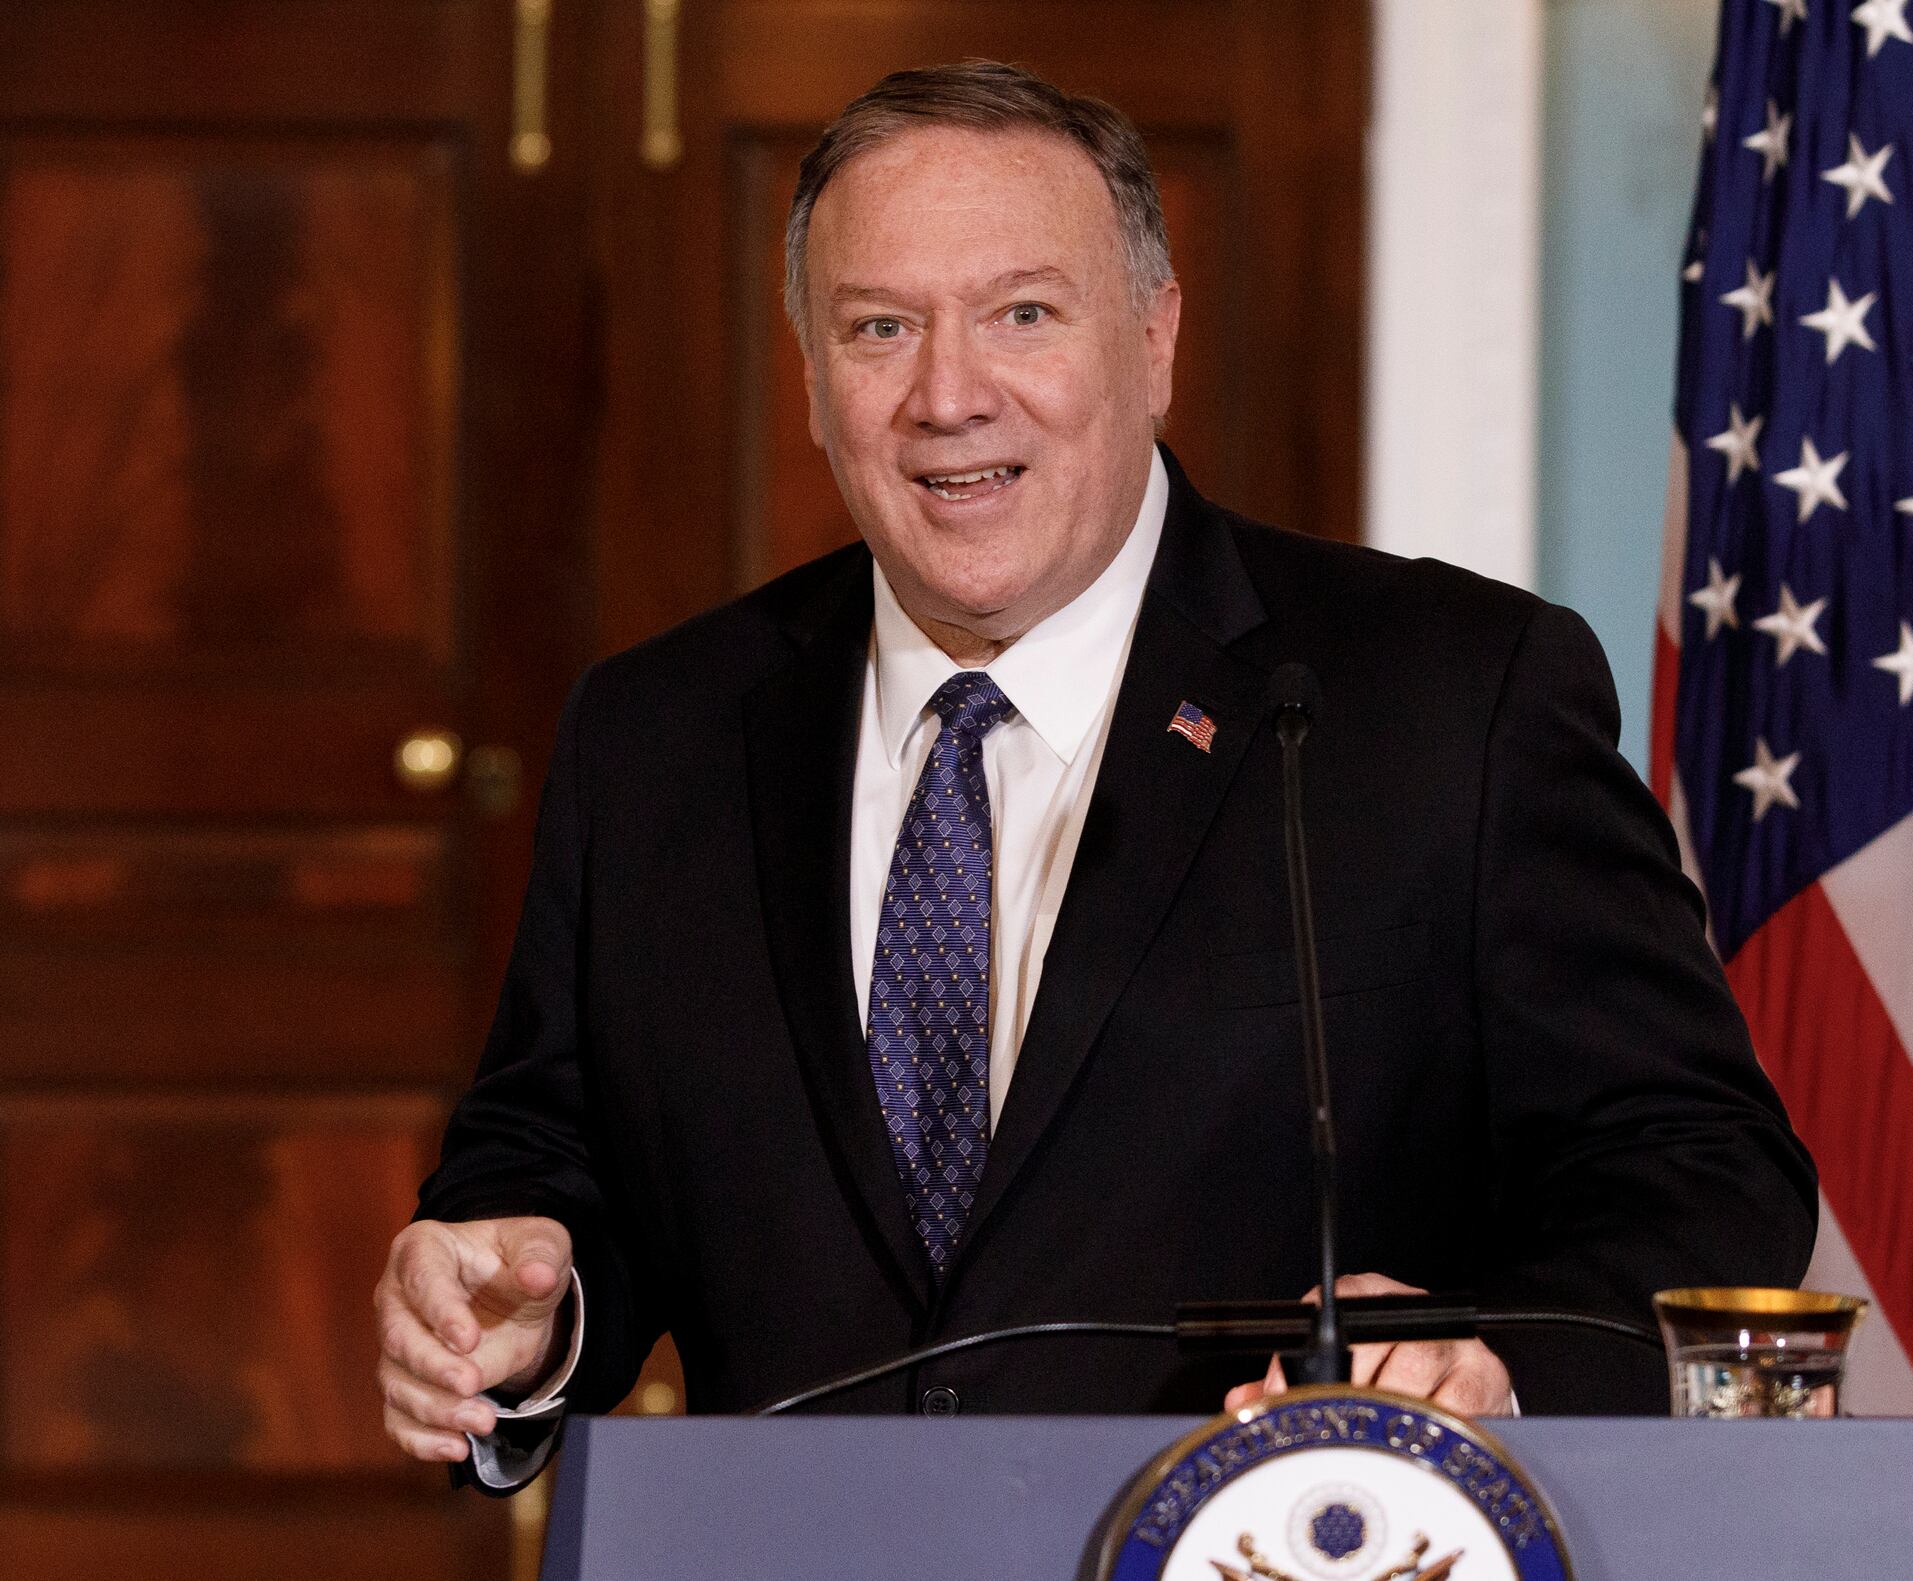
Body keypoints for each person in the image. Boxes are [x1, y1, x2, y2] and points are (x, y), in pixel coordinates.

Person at [373, 60, 1816, 1491]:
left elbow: (1700, 1167)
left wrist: (1493, 1355)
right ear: (812, 376)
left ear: (1154, 336)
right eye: (881, 326)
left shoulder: (1448, 699)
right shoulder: (657, 737)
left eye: (1022, 314)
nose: (949, 395)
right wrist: (523, 1309)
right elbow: (555, 1170)